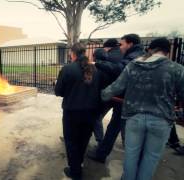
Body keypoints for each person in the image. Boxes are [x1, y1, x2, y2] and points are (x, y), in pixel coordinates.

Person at [101, 37, 184, 180]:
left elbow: (117, 87)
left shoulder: (133, 65)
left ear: (151, 49)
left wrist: (102, 94)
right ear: (167, 52)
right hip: (161, 120)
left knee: (131, 155)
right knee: (151, 158)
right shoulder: (177, 69)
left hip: (134, 118)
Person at [88, 35, 144, 163]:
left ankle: (103, 153)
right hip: (127, 98)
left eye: (123, 44)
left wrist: (96, 63)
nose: (121, 47)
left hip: (123, 98)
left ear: (130, 44)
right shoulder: (136, 55)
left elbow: (119, 70)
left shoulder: (132, 57)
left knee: (112, 125)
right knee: (120, 127)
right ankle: (105, 152)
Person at [55, 43, 107, 180]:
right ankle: (79, 164)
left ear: (72, 53)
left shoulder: (67, 69)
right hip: (91, 113)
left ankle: (75, 172)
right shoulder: (96, 70)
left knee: (71, 142)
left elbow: (58, 92)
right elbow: (100, 91)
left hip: (72, 113)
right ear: (85, 53)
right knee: (83, 141)